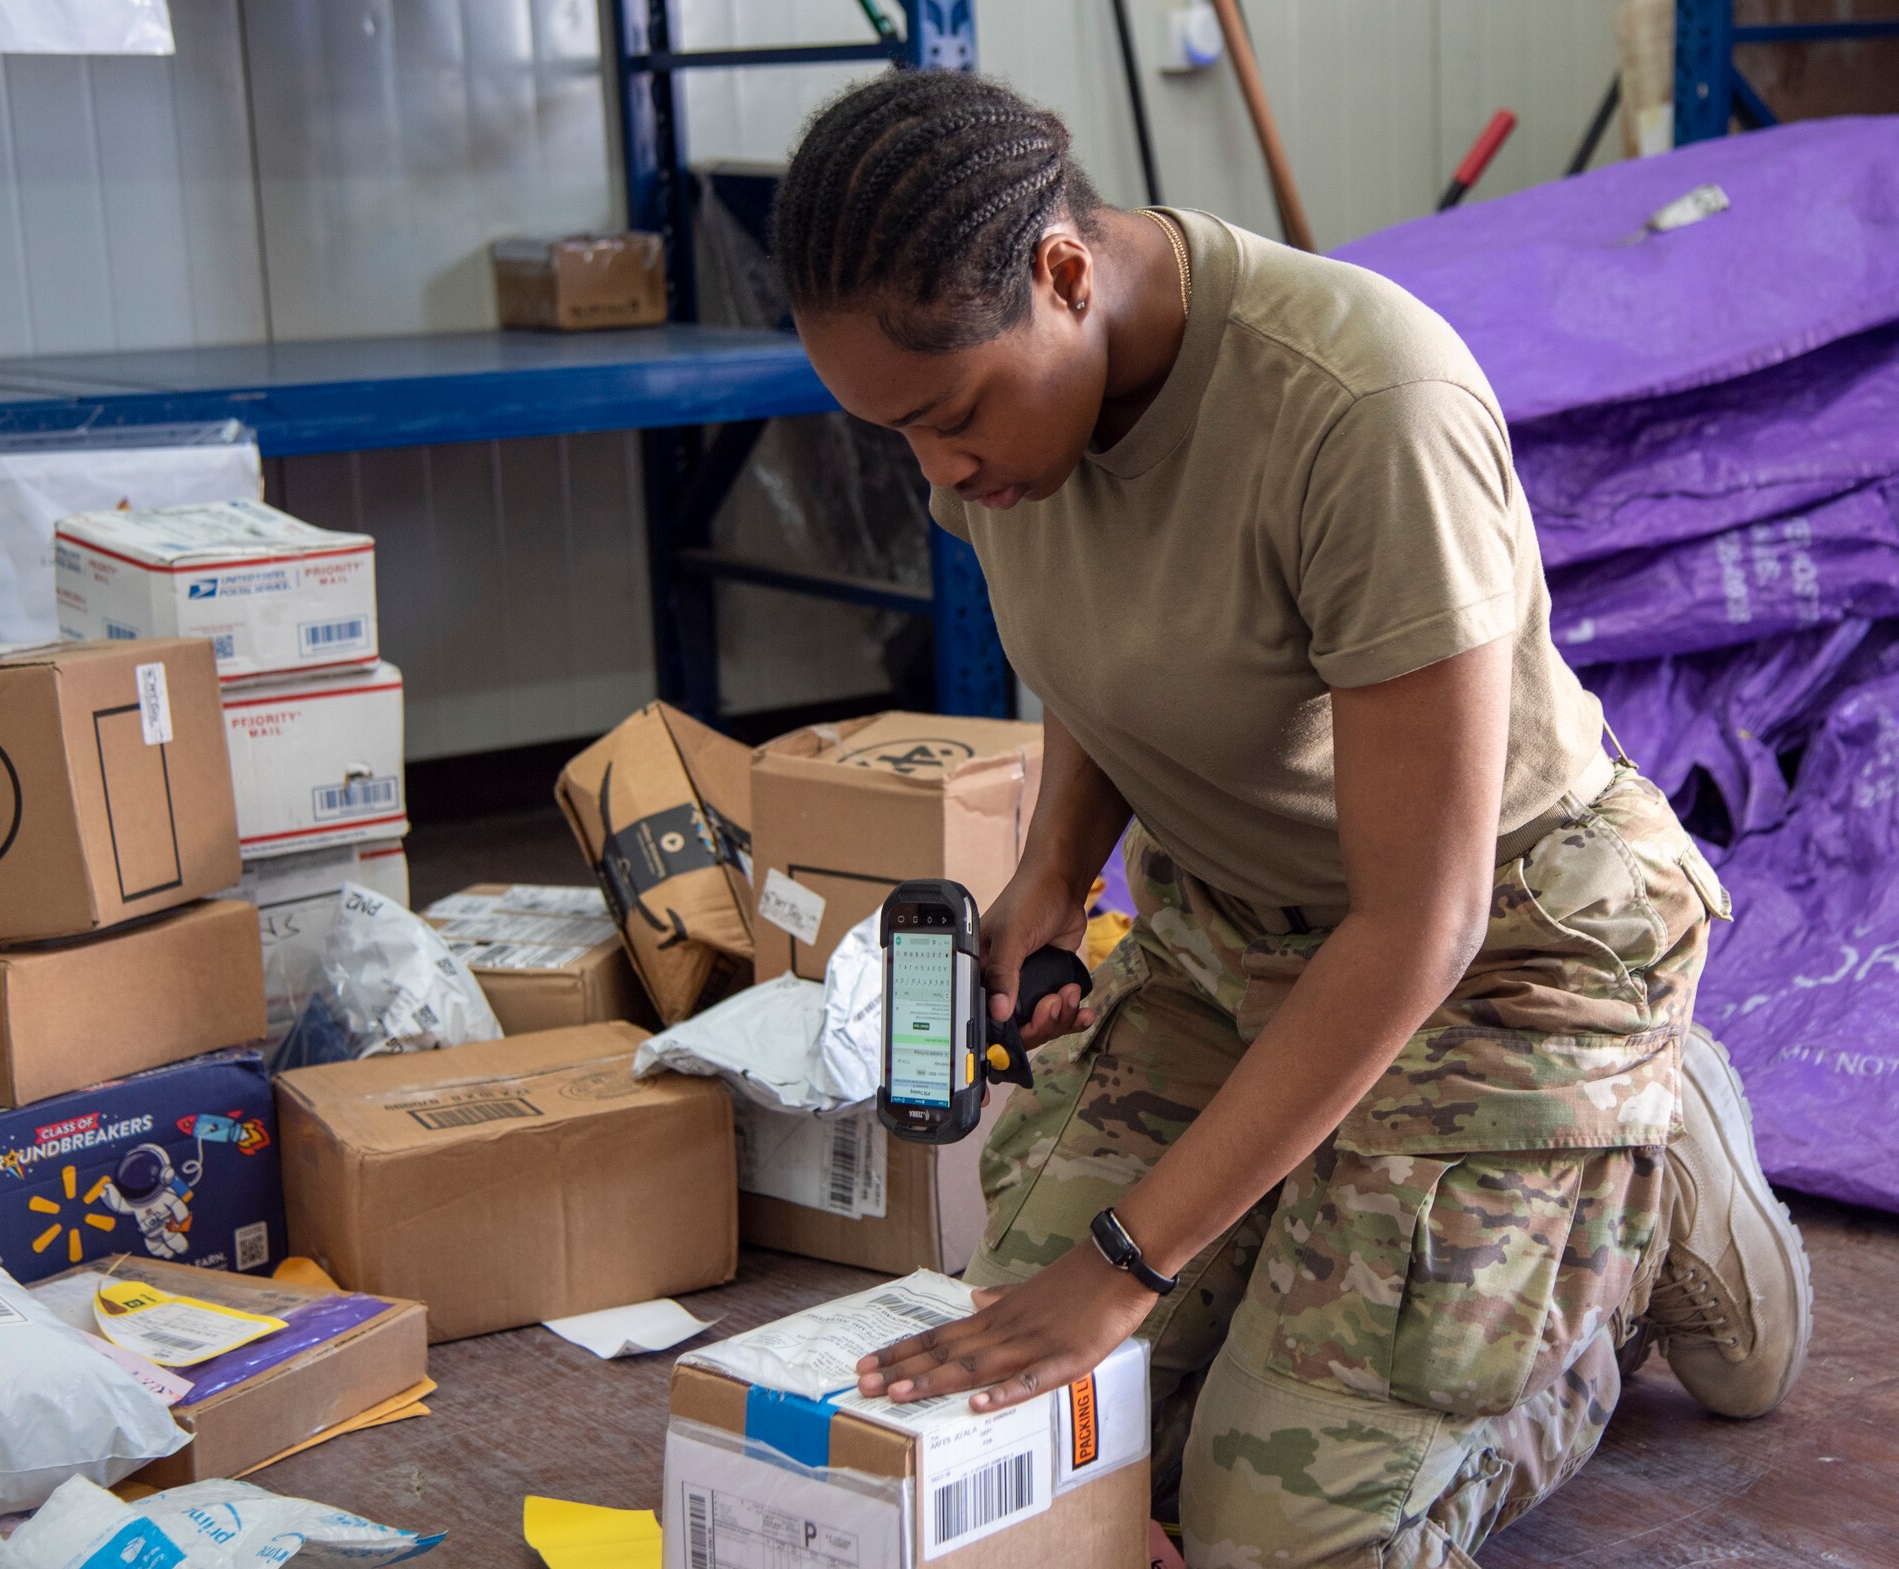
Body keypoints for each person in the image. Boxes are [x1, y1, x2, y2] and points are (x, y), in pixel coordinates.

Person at [769, 71, 1814, 1568]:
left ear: (1064, 275)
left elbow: (1421, 920)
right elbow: (1100, 633)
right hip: (1232, 944)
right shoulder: (1004, 424)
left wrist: (1128, 1260)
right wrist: (1050, 875)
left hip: (1501, 958)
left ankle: (1642, 1194)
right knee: (1035, 1418)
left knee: (1275, 1535)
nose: (940, 476)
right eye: (895, 437)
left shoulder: (1362, 405)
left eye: (947, 419)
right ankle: (1392, 1201)